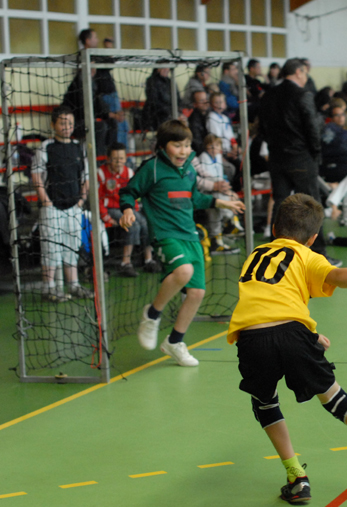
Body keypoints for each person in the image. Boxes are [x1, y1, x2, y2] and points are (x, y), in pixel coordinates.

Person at [226, 192, 347, 504]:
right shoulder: (306, 255)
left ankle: (297, 478)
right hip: (292, 333)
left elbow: (267, 302)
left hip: (252, 337)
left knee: (264, 402)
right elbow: (337, 276)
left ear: (275, 228)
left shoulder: (256, 254)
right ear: (313, 238)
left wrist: (312, 334)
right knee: (332, 395)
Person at [119, 120, 245, 366]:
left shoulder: (189, 170)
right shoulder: (152, 169)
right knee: (183, 272)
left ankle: (175, 342)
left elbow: (193, 197)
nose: (184, 151)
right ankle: (152, 314)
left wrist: (222, 202)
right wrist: (127, 209)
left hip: (190, 235)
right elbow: (129, 191)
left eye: (187, 145)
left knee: (197, 293)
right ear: (163, 146)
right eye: (177, 145)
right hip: (165, 235)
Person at [258, 58, 339, 266]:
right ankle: (319, 254)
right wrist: (315, 153)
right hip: (301, 157)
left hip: (277, 158)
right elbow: (312, 127)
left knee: (280, 204)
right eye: (304, 73)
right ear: (298, 72)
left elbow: (262, 128)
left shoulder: (269, 95)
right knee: (312, 204)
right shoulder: (303, 95)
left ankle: (273, 256)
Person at [31, 106, 94, 302]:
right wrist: (46, 201)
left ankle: (73, 285)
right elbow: (37, 176)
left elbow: (86, 177)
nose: (67, 127)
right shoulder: (46, 147)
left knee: (72, 246)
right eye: (62, 123)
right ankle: (49, 288)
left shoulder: (79, 147)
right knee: (51, 248)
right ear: (53, 124)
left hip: (73, 206)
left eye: (70, 123)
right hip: (52, 208)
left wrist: (81, 200)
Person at [97, 142, 158, 277]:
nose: (118, 162)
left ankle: (148, 260)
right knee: (132, 225)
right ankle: (126, 263)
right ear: (108, 159)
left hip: (127, 208)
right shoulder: (101, 173)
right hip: (111, 208)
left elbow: (133, 194)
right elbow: (98, 198)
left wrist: (134, 209)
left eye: (121, 158)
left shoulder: (129, 172)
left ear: (125, 159)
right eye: (115, 159)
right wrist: (106, 217)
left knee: (146, 223)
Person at [197, 134, 243, 254]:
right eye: (211, 145)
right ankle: (229, 226)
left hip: (218, 189)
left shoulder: (218, 157)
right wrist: (223, 188)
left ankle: (224, 233)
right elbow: (207, 178)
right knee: (218, 206)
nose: (214, 148)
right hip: (206, 191)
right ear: (206, 146)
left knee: (231, 197)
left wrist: (228, 190)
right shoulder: (203, 157)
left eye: (217, 145)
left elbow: (220, 177)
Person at [321, 104, 347, 183]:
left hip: (346, 164)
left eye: (342, 115)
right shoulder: (330, 129)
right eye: (337, 115)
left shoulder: (345, 132)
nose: (341, 117)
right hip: (336, 166)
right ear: (331, 118)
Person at [188, 90, 210, 155]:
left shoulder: (210, 114)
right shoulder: (193, 121)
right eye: (201, 100)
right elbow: (197, 145)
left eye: (206, 99)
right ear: (195, 104)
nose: (205, 102)